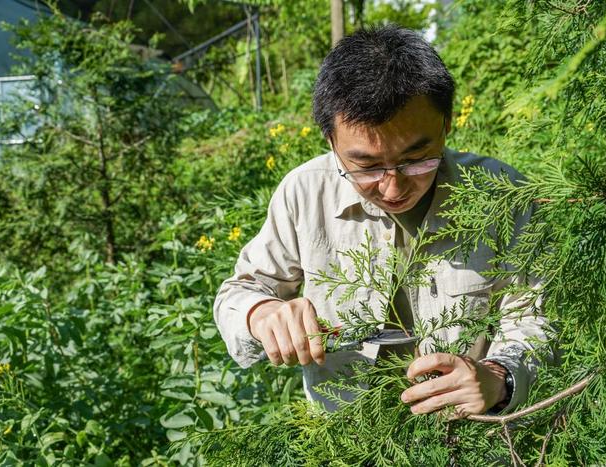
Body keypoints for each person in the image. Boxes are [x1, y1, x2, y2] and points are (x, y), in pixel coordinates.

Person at [214, 25, 550, 416]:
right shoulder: (304, 194)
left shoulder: (503, 194)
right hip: (345, 440)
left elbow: (535, 317)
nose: (393, 188)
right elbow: (239, 292)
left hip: (473, 438)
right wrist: (261, 314)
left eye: (417, 159)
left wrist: (498, 377)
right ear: (331, 142)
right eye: (366, 166)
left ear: (447, 125)